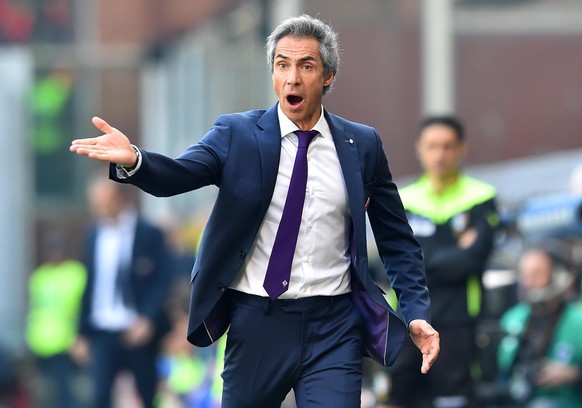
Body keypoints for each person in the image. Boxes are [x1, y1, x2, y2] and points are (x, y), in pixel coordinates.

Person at [70, 14, 440, 408]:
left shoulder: (361, 145)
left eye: (306, 66)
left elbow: (397, 239)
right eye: (283, 65)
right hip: (257, 323)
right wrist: (137, 160)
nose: (293, 78)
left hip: (334, 326)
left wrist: (416, 310)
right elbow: (178, 175)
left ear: (328, 76)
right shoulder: (237, 135)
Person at [382, 116, 499, 408]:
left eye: (447, 146)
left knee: (454, 399)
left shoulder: (481, 197)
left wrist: (420, 258)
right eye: (432, 146)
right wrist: (452, 253)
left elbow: (471, 260)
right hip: (407, 319)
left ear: (461, 149)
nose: (440, 154)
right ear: (419, 149)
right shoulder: (404, 200)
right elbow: (389, 260)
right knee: (398, 397)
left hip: (460, 320)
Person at [70, 174, 172, 408]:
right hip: (103, 329)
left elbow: (162, 281)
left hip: (136, 328)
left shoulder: (148, 233)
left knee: (147, 394)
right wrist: (81, 332)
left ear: (120, 199)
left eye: (103, 202)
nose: (98, 209)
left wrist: (147, 318)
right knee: (99, 396)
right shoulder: (94, 235)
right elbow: (91, 285)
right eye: (94, 204)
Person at [496, 247, 582, 408]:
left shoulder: (578, 320)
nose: (528, 282)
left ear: (559, 276)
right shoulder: (512, 318)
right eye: (524, 275)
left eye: (536, 274)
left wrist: (575, 375)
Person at [25, 229, 87, 408]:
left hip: (65, 343)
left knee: (65, 393)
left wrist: (80, 336)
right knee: (42, 394)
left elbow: (83, 309)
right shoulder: (40, 276)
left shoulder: (75, 273)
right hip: (39, 342)